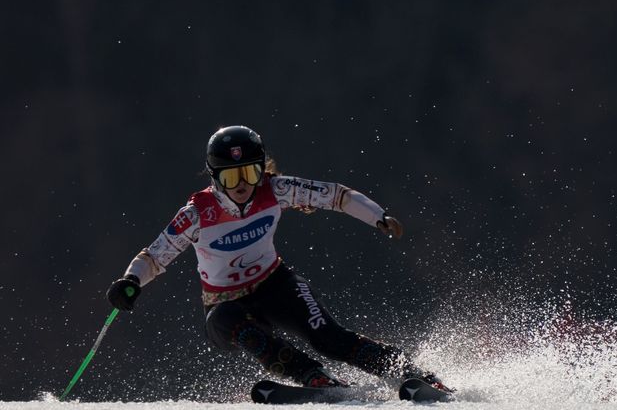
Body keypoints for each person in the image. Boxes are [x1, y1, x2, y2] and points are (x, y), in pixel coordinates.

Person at [106, 125, 450, 392]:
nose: (242, 185)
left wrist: (379, 216)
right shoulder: (198, 213)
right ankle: (311, 376)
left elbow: (337, 196)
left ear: (261, 170)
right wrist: (131, 281)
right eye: (231, 176)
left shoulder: (277, 189)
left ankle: (409, 371)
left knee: (328, 337)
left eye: (250, 174)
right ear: (214, 177)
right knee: (229, 320)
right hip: (225, 305)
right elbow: (154, 256)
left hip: (275, 285)